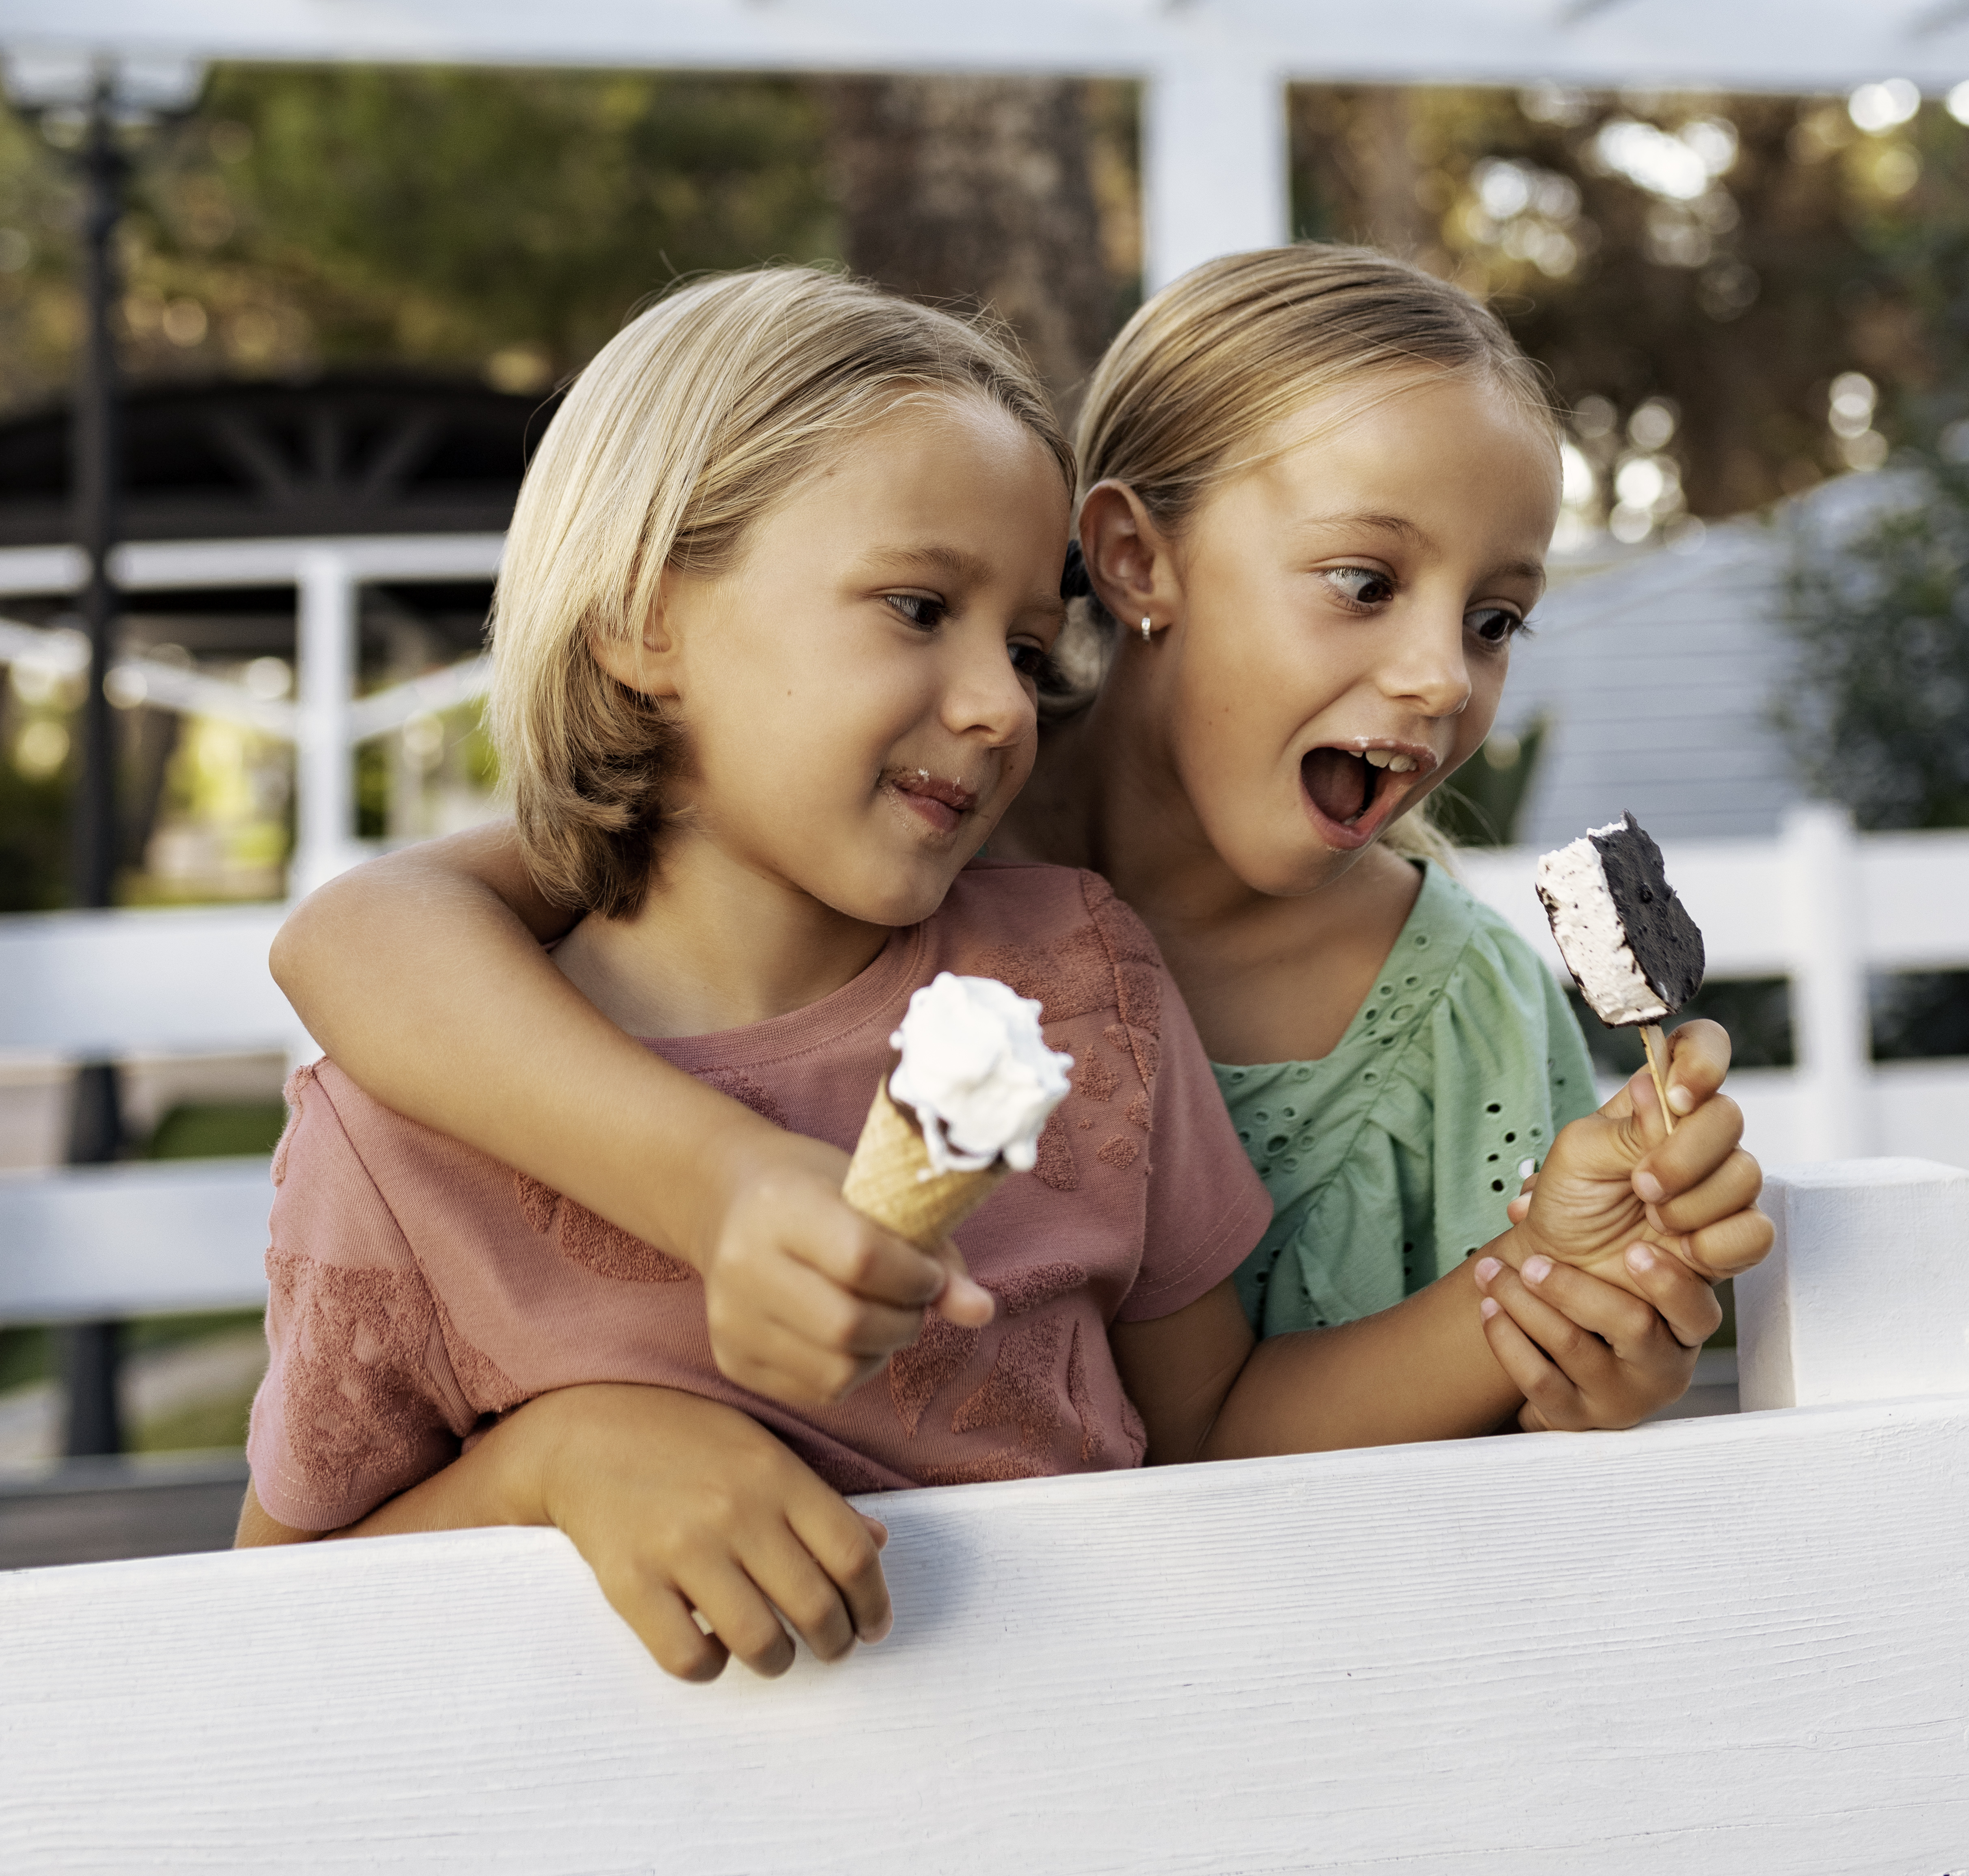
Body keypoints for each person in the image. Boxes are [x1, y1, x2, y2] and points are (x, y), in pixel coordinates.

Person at [246, 262, 1768, 1681]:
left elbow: (1209, 1437)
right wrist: (555, 1459)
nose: (994, 704)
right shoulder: (429, 1106)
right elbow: (260, 1627)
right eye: (920, 609)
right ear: (648, 616)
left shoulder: (1083, 986)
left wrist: (1559, 1290)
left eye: (1031, 650)